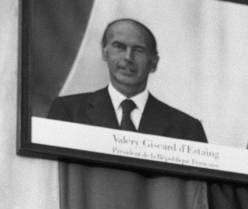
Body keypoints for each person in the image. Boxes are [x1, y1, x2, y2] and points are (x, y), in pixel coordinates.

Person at [48, 19, 207, 142]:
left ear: (154, 63)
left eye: (139, 50)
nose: (128, 57)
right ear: (105, 53)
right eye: (119, 46)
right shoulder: (68, 112)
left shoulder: (188, 129)